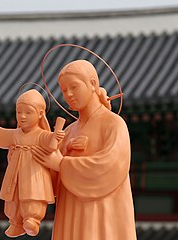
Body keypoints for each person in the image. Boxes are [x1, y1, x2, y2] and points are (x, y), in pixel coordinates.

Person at [32, 60, 137, 240]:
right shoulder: (68, 131)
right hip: (70, 207)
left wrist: (62, 163)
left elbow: (110, 165)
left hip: (102, 209)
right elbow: (53, 179)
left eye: (74, 86)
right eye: (64, 90)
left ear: (93, 84)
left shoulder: (113, 124)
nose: (69, 94)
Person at [0, 89, 65, 238]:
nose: (22, 116)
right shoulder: (15, 134)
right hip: (15, 173)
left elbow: (51, 144)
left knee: (33, 196)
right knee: (13, 198)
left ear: (40, 114)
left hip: (34, 173)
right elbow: (1, 135)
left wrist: (56, 136)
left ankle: (32, 219)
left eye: (28, 112)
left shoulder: (41, 134)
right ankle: (15, 222)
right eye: (19, 112)